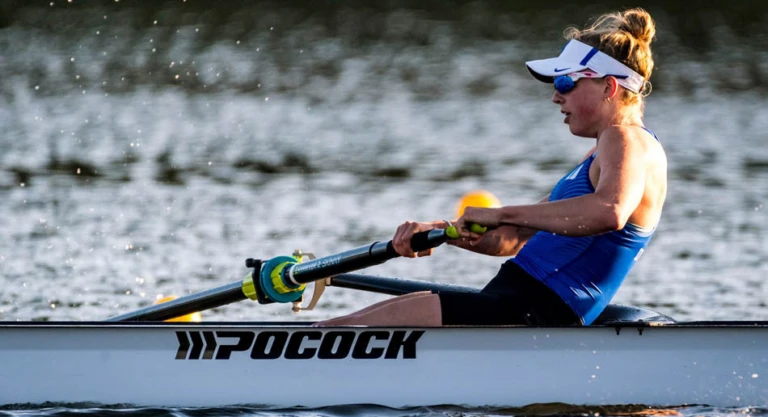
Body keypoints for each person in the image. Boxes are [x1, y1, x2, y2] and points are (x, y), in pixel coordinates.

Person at [317, 8, 666, 327]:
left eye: (565, 83)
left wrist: (499, 213)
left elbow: (611, 211)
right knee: (345, 324)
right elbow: (514, 238)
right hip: (515, 302)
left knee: (345, 329)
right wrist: (446, 231)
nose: (556, 97)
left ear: (609, 86)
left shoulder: (626, 140)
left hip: (538, 313)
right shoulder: (600, 155)